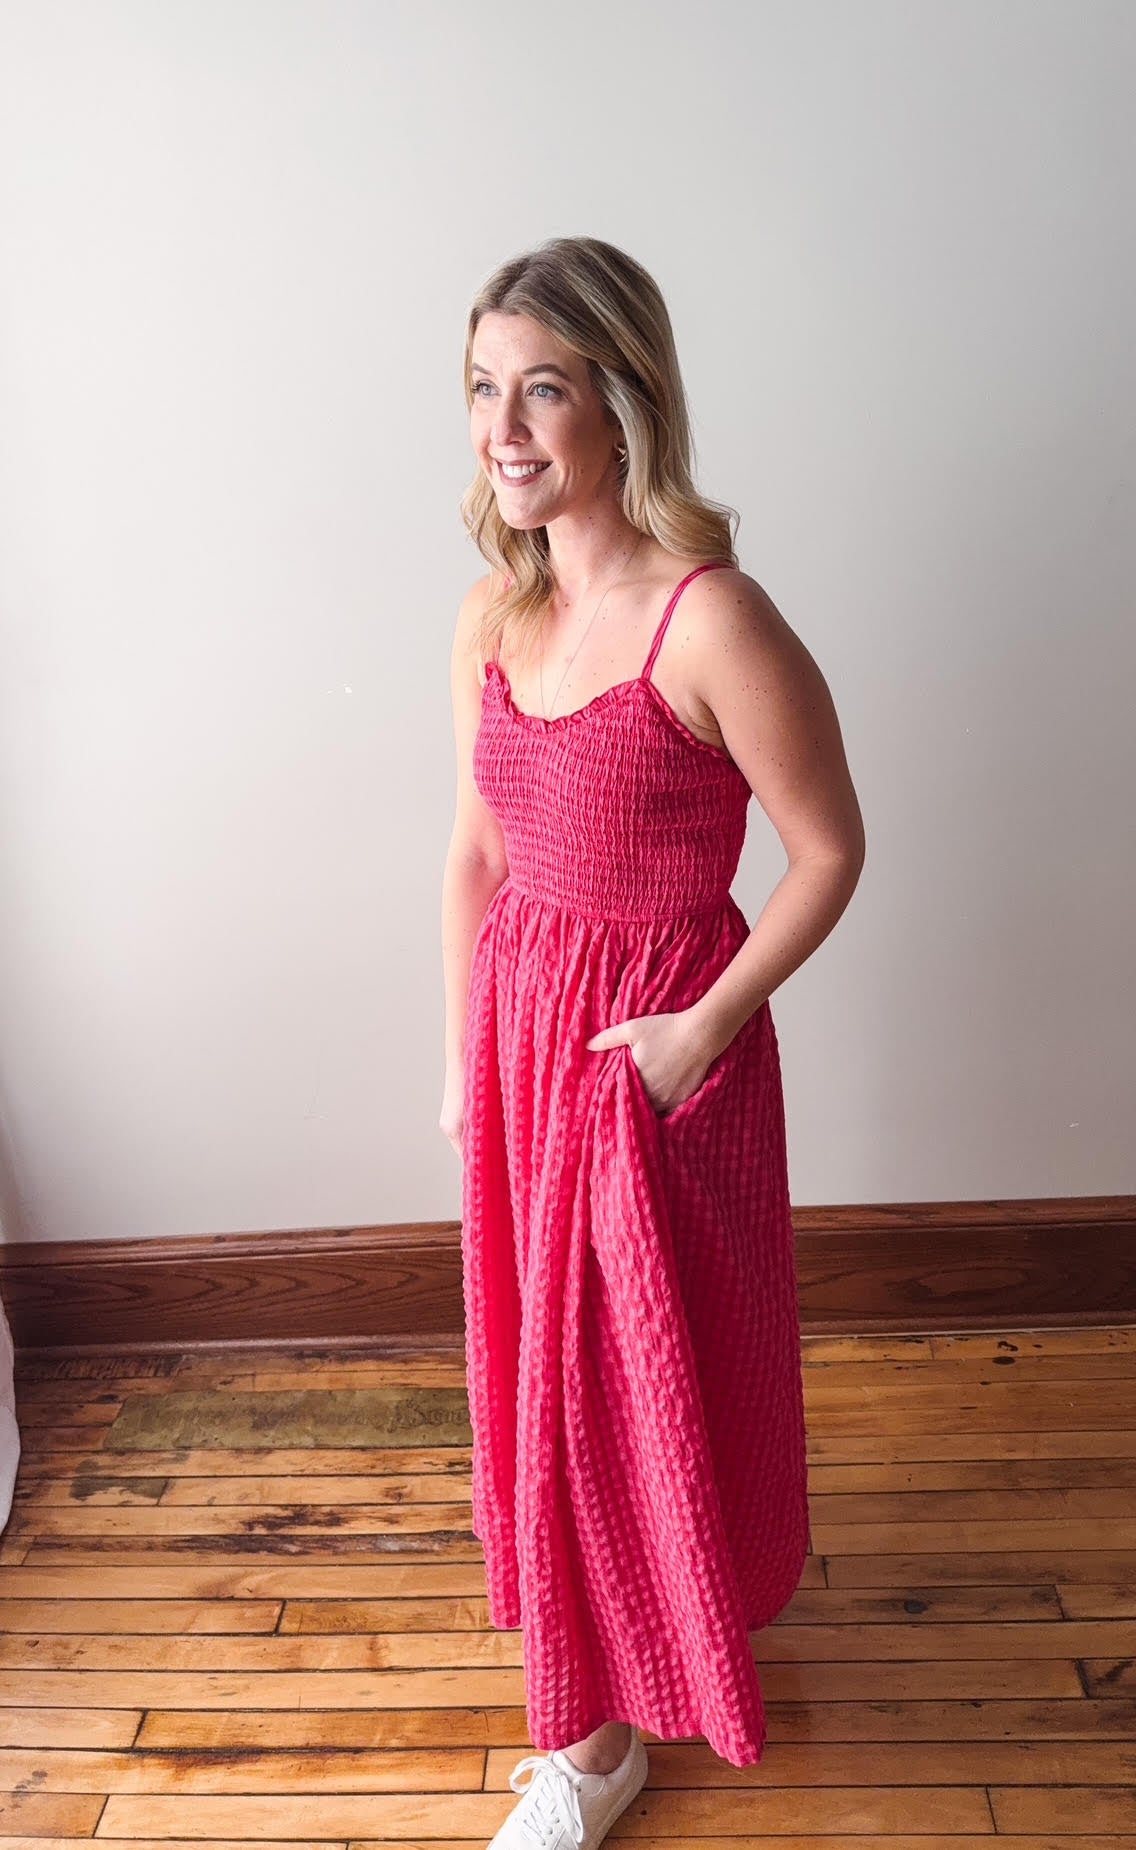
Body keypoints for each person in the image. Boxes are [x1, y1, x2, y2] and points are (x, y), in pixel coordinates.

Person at [440, 236, 865, 1850]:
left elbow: (828, 850)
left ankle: (610, 1736)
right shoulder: (491, 612)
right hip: (523, 1050)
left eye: (543, 386)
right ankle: (595, 1728)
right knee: (541, 1389)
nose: (506, 427)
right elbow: (476, 858)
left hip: (656, 1058)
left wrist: (697, 1033)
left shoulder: (712, 622)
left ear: (623, 403)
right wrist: (461, 1058)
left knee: (637, 1387)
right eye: (484, 388)